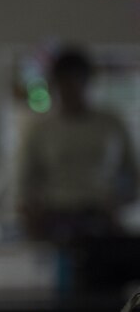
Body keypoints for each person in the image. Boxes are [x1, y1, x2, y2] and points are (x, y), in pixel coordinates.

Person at [16, 45, 139, 242]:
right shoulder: (41, 129)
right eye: (63, 83)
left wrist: (119, 201)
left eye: (75, 82)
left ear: (87, 82)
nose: (70, 90)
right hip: (56, 217)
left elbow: (132, 175)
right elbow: (25, 182)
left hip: (101, 215)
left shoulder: (111, 124)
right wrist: (30, 216)